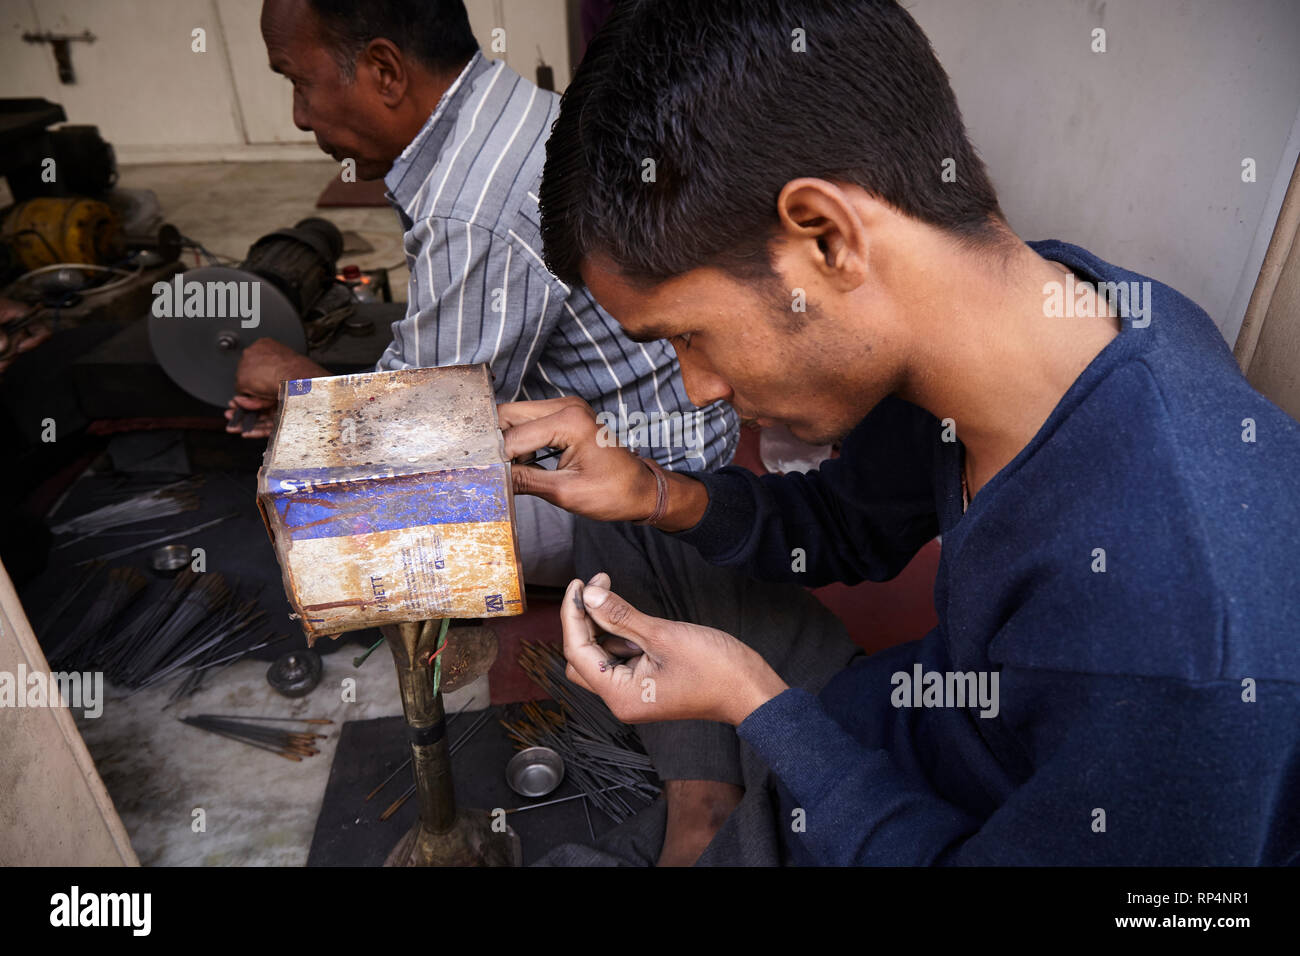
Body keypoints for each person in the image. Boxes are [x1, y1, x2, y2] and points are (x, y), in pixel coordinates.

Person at [498, 0, 1300, 865]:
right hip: (901, 724)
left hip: (914, 822)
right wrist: (652, 492)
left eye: (689, 335)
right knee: (628, 525)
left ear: (826, 237)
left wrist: (758, 707)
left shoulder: (1185, 646)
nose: (698, 389)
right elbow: (851, 523)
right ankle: (708, 807)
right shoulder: (1026, 311)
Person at [232, 0, 738, 585]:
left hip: (644, 491)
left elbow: (423, 435)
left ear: (385, 71)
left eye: (299, 83)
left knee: (330, 522)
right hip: (679, 438)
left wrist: (298, 385)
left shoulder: (470, 207)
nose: (299, 116)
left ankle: (642, 579)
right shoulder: (510, 110)